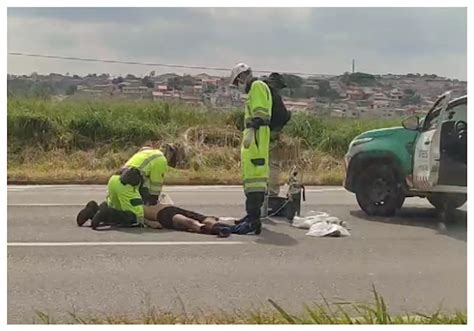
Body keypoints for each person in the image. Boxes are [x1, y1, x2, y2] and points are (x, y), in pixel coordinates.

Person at [76, 145, 178, 229]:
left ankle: (93, 210)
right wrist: (153, 207)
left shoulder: (146, 154)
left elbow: (144, 183)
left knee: (117, 207)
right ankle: (106, 214)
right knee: (136, 218)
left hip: (114, 180)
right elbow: (155, 188)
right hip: (128, 184)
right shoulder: (161, 160)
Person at [229, 63, 272, 235]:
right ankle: (250, 217)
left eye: (237, 81)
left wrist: (252, 127)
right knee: (251, 180)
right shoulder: (257, 87)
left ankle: (253, 221)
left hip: (256, 139)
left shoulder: (257, 86)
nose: (238, 85)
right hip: (255, 139)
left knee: (255, 181)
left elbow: (261, 114)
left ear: (241, 76)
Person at [263, 72, 292, 197]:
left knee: (262, 164)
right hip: (272, 134)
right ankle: (272, 192)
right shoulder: (274, 96)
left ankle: (263, 191)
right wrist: (289, 115)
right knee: (273, 164)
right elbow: (282, 115)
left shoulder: (261, 94)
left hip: (259, 135)